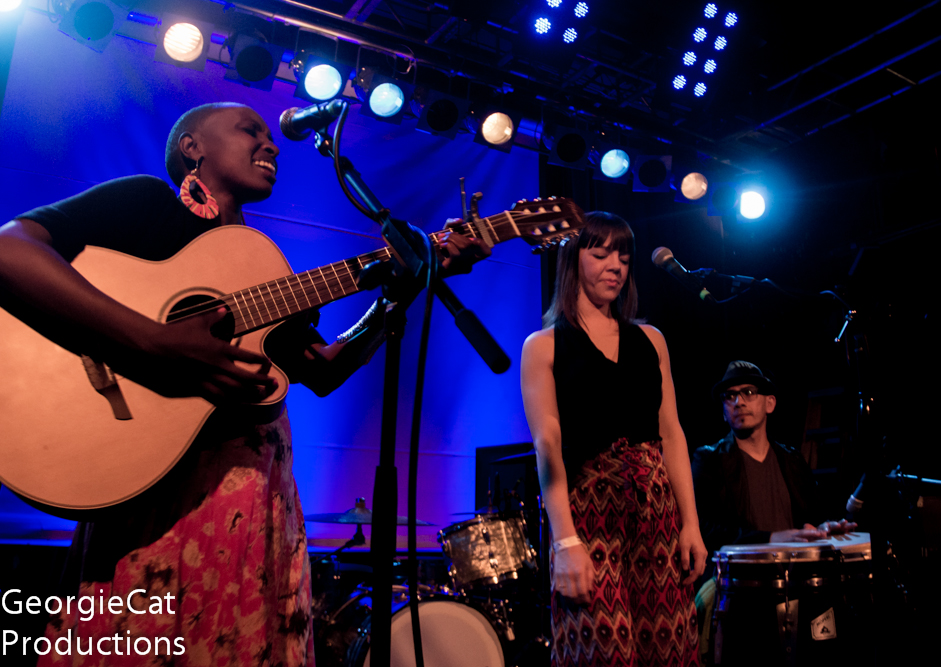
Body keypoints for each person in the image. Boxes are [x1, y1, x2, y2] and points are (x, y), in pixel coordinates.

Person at [0, 102, 486, 665]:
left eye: (269, 134)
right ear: (192, 148)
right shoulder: (146, 203)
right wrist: (151, 342)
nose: (271, 143)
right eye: (249, 130)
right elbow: (12, 249)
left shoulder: (260, 267)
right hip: (155, 501)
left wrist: (400, 292)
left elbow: (323, 369)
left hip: (251, 503)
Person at [520, 212, 704, 667]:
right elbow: (547, 447)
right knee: (602, 650)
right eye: (601, 254)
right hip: (588, 516)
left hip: (656, 512)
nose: (615, 266)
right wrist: (564, 542)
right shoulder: (543, 346)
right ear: (573, 260)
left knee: (668, 647)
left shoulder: (651, 340)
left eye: (623, 256)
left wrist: (691, 524)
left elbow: (671, 433)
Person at [691, 360, 855, 559]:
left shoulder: (793, 460)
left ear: (770, 403)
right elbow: (702, 529)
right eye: (730, 396)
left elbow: (812, 517)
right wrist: (770, 538)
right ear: (724, 413)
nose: (738, 402)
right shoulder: (709, 461)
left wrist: (822, 528)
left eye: (749, 392)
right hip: (743, 572)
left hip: (796, 570)